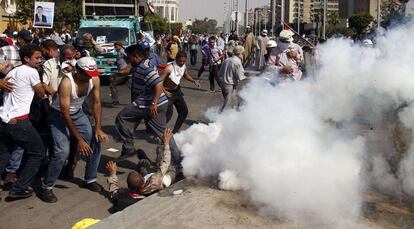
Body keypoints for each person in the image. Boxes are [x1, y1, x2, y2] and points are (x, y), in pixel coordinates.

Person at [40, 57, 108, 203]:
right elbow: (65, 113)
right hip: (58, 116)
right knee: (62, 151)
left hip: (78, 114)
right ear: (78, 70)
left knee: (95, 142)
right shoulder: (66, 83)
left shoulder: (94, 79)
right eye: (87, 74)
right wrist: (79, 140)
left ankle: (90, 179)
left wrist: (98, 128)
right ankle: (47, 186)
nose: (91, 76)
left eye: (92, 74)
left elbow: (96, 103)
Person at [115, 43, 182, 173]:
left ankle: (128, 147)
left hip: (149, 103)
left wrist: (153, 104)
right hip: (158, 102)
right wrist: (119, 73)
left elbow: (158, 84)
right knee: (163, 134)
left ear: (136, 56)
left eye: (129, 58)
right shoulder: (139, 65)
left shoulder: (146, 68)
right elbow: (130, 70)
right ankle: (178, 162)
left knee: (122, 117)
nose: (128, 61)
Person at [0, 44, 47, 199]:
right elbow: (40, 93)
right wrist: (44, 87)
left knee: (4, 154)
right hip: (19, 121)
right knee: (38, 152)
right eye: (37, 58)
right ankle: (19, 187)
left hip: (4, 119)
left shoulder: (13, 71)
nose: (40, 60)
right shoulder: (31, 72)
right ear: (27, 58)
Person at [106, 128, 176, 211]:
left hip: (151, 178)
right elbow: (165, 163)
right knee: (162, 155)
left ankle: (148, 161)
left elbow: (113, 190)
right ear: (143, 180)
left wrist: (112, 173)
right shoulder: (154, 181)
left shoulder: (124, 194)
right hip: (165, 177)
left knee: (143, 162)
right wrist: (166, 143)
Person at [161, 51, 200, 133]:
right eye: (180, 61)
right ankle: (159, 130)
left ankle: (174, 132)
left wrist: (194, 81)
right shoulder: (169, 68)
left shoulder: (184, 66)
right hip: (167, 92)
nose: (182, 63)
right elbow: (159, 82)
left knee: (184, 111)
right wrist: (165, 92)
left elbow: (185, 75)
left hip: (176, 91)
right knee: (168, 113)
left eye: (184, 61)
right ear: (176, 59)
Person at [218, 46, 246, 112]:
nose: (243, 55)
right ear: (239, 53)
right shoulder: (237, 62)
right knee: (227, 103)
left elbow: (220, 73)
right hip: (229, 85)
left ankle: (231, 117)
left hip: (223, 83)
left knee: (233, 101)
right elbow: (240, 77)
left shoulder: (227, 60)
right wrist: (249, 77)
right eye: (242, 53)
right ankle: (219, 118)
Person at [110, 41, 130, 105]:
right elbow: (119, 62)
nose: (115, 48)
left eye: (116, 47)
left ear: (120, 46)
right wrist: (112, 63)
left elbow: (130, 59)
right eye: (115, 47)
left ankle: (115, 101)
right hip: (123, 72)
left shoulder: (122, 51)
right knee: (131, 86)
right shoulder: (119, 52)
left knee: (112, 84)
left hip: (124, 72)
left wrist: (127, 68)